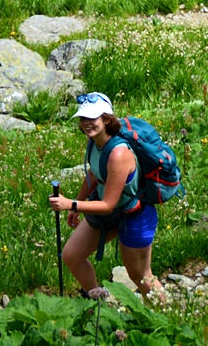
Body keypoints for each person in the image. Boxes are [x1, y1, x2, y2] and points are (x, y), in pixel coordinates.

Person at [48, 93, 164, 298]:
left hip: (135, 214)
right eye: (83, 118)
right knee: (72, 256)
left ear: (107, 119)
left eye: (92, 118)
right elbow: (94, 174)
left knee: (140, 275)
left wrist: (71, 205)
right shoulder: (93, 141)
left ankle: (167, 311)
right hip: (110, 210)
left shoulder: (119, 154)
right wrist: (78, 202)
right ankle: (96, 301)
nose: (86, 123)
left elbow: (108, 204)